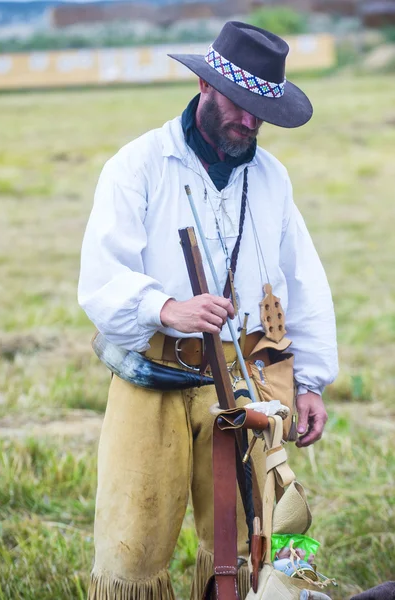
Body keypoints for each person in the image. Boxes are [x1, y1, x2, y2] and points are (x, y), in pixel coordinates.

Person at [78, 21, 338, 600]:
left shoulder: (272, 177)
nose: (249, 122)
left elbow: (303, 280)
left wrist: (312, 381)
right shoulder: (138, 164)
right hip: (159, 372)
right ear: (203, 85)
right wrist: (167, 306)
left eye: (259, 112)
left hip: (251, 373)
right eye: (239, 106)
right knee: (133, 537)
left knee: (270, 531)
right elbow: (100, 279)